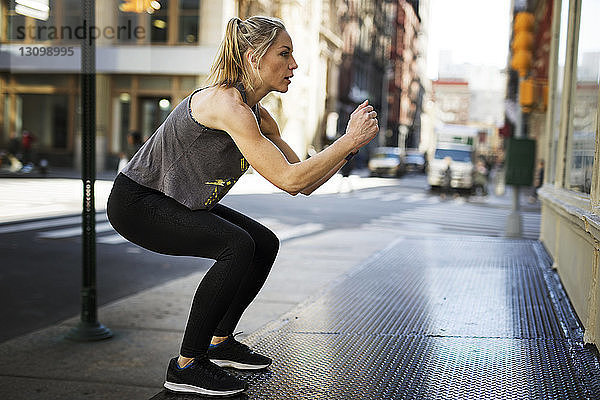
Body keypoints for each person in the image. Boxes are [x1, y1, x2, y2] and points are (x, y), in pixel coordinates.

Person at [106, 16, 379, 397]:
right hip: (137, 201)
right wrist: (347, 141)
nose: (294, 65)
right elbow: (290, 180)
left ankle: (220, 341)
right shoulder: (226, 104)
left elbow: (303, 182)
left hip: (177, 201)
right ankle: (187, 364)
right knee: (236, 245)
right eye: (284, 54)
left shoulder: (256, 114)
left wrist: (348, 148)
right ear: (253, 59)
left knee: (263, 242)